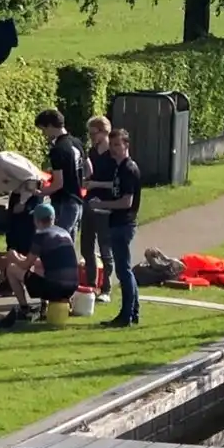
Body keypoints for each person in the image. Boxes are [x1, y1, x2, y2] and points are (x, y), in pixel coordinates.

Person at [97, 128, 142, 327]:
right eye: (112, 144)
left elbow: (126, 202)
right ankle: (132, 312)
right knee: (125, 270)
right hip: (117, 222)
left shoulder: (128, 169)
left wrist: (102, 205)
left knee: (123, 271)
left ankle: (126, 315)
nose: (113, 149)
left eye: (117, 145)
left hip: (123, 224)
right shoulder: (119, 167)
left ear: (126, 145)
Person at [5, 200, 79, 316]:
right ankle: (45, 306)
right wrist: (24, 259)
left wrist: (14, 257)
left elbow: (25, 265)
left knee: (11, 269)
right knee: (40, 267)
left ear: (36, 220)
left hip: (53, 288)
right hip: (71, 287)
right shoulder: (64, 233)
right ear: (53, 218)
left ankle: (24, 309)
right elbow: (46, 262)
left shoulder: (41, 236)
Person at [80, 114, 117, 301]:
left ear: (104, 132)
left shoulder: (114, 153)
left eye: (94, 133)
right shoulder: (92, 151)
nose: (91, 137)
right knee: (86, 246)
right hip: (90, 202)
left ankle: (106, 288)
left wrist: (95, 185)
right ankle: (91, 285)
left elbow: (116, 183)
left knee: (105, 247)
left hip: (106, 205)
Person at [36, 108, 86, 237]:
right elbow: (88, 169)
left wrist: (39, 193)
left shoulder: (58, 149)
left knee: (57, 240)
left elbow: (58, 183)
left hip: (63, 203)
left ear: (51, 126)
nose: (43, 134)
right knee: (69, 244)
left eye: (43, 129)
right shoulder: (77, 143)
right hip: (77, 200)